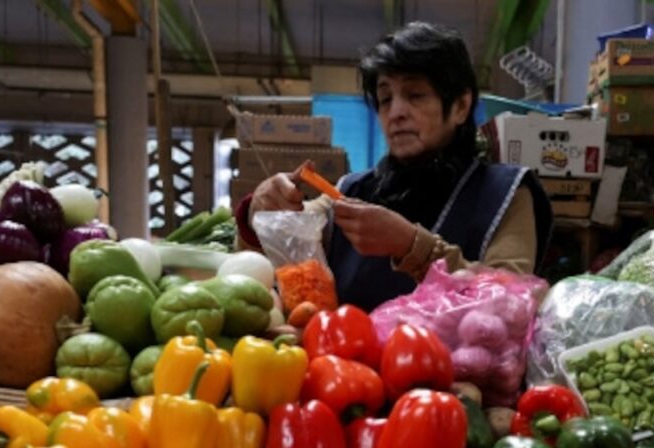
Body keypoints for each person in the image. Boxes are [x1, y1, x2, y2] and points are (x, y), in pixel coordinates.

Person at [234, 21, 553, 311]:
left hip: (452, 376)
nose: (396, 112)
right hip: (342, 372)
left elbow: (514, 304)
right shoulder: (350, 191)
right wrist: (260, 213)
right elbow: (266, 262)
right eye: (385, 99)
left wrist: (414, 248)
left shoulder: (504, 194)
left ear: (460, 106)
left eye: (415, 95)